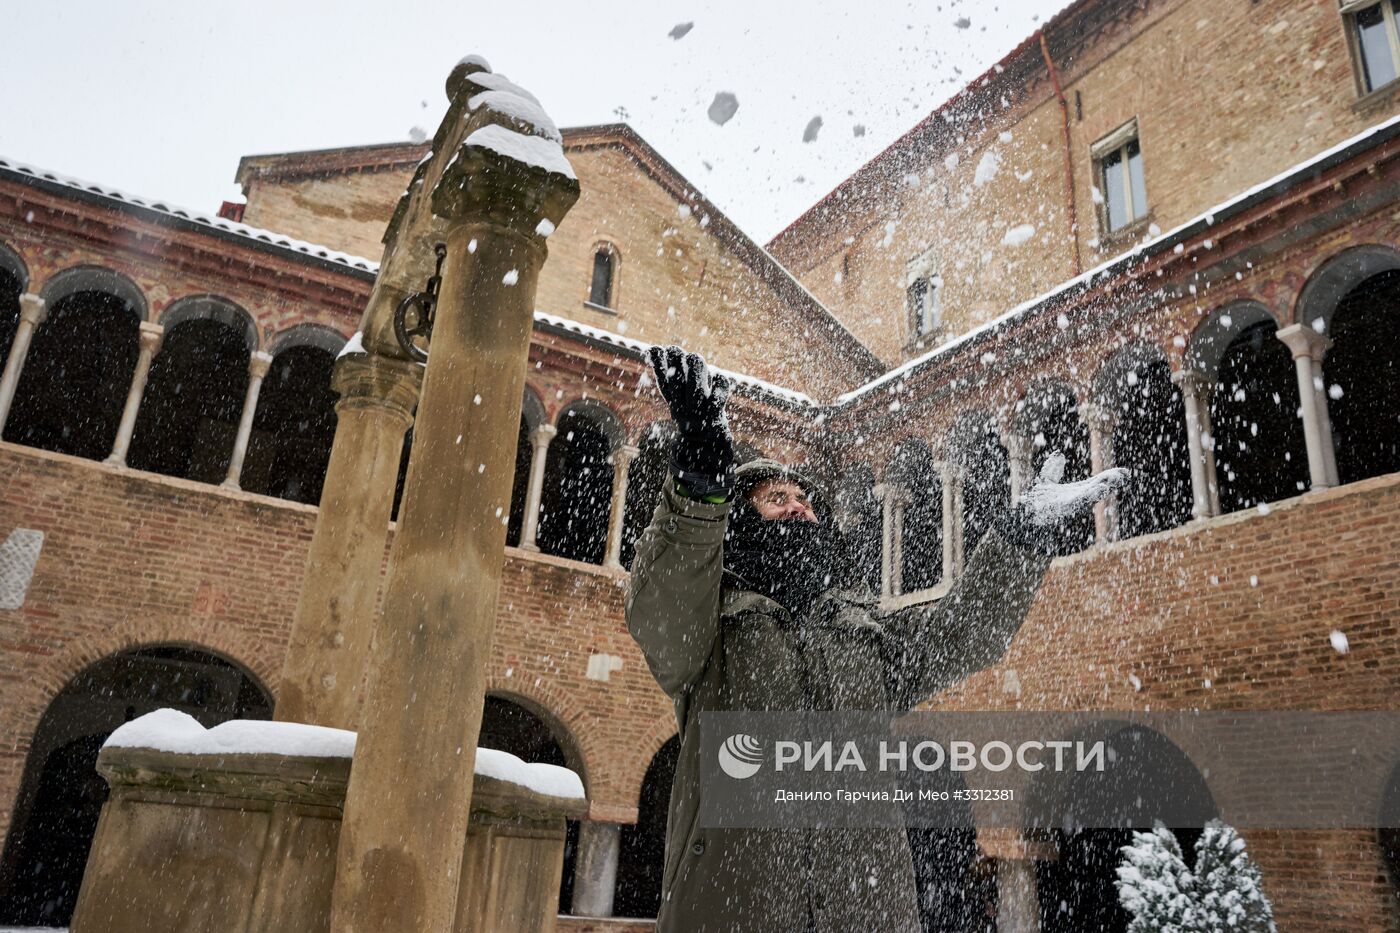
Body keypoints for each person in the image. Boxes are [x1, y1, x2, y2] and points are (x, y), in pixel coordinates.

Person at [627, 346, 1129, 932]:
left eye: (807, 501)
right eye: (777, 499)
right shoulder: (710, 634)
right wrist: (698, 485)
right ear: (740, 524)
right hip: (735, 910)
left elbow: (960, 634)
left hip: (866, 912)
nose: (801, 509)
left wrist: (1019, 543)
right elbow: (661, 603)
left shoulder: (860, 635)